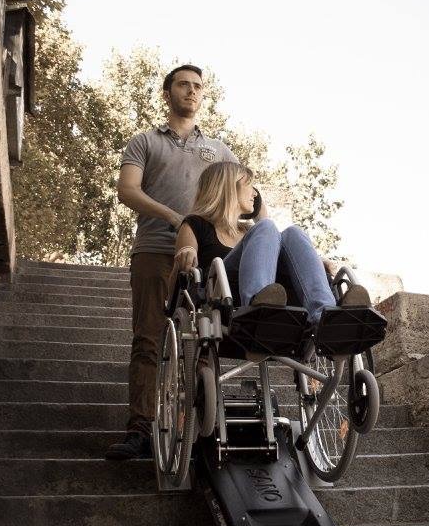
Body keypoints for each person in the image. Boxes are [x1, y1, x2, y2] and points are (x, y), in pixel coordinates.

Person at [105, 64, 238, 461]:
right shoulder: (145, 142)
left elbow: (244, 191)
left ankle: (200, 429)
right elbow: (126, 190)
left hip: (205, 256)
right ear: (167, 93)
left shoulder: (217, 149)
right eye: (183, 84)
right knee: (149, 338)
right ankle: (141, 430)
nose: (192, 91)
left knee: (206, 339)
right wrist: (172, 217)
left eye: (198, 86)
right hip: (153, 250)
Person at [174, 161, 371, 327]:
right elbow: (180, 279)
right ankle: (257, 308)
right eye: (250, 185)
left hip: (276, 294)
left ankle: (325, 316)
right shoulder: (195, 224)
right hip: (222, 295)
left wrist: (316, 261)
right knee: (266, 226)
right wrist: (187, 251)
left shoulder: (250, 231)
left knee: (293, 232)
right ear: (229, 188)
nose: (255, 194)